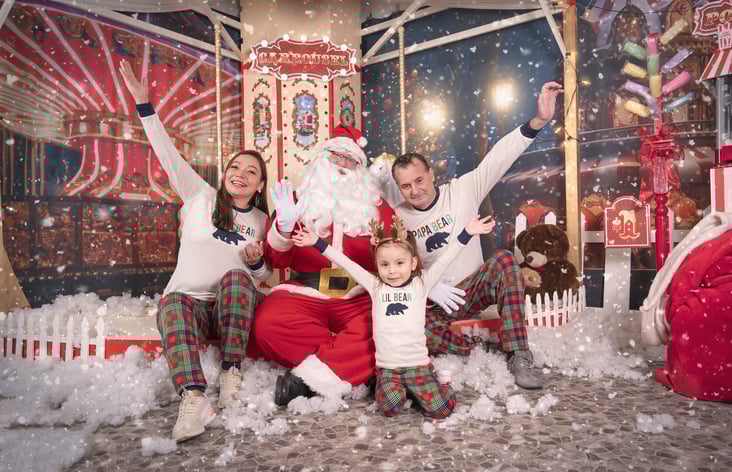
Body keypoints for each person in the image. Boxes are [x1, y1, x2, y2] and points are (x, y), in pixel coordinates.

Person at [120, 60, 272, 441]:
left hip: (230, 310)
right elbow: (166, 152)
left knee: (238, 277)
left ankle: (231, 371)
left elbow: (263, 276)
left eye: (251, 171)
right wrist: (144, 107)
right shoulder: (199, 196)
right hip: (190, 305)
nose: (240, 172)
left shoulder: (261, 220)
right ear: (225, 173)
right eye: (235, 166)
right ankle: (193, 398)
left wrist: (257, 263)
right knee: (171, 301)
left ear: (258, 186)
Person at [386, 81, 564, 389]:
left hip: (473, 289)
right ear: (398, 188)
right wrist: (426, 289)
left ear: (431, 173)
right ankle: (481, 351)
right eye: (406, 186)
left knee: (506, 260)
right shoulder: (398, 216)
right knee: (409, 327)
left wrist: (538, 122)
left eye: (419, 180)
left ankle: (520, 353)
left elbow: (499, 156)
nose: (414, 190)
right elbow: (392, 268)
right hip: (435, 302)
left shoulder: (463, 189)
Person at [247, 124, 396, 406]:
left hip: (359, 296)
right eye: (336, 157)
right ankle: (357, 363)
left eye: (351, 160)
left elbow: (397, 252)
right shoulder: (296, 201)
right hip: (305, 292)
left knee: (390, 322)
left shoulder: (378, 208)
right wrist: (284, 227)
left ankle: (306, 382)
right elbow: (276, 259)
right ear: (320, 160)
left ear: (361, 170)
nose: (343, 165)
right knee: (267, 324)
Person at [291, 213, 495, 417]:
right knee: (390, 407)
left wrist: (468, 232)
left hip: (418, 367)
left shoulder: (421, 285)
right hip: (388, 370)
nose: (392, 271)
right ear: (377, 265)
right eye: (385, 265)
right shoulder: (375, 286)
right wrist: (316, 242)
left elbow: (446, 258)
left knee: (441, 410)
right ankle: (397, 390)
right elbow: (346, 263)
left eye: (400, 263)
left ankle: (440, 384)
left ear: (413, 263)